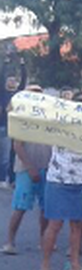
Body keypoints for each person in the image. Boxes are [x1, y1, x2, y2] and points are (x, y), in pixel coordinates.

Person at [38, 130, 82, 270]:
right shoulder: (60, 114)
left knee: (77, 224)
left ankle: (75, 264)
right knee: (55, 224)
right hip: (58, 179)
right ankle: (45, 266)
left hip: (80, 179)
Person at [4, 134, 51, 254]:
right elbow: (17, 145)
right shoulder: (24, 117)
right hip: (24, 168)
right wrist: (30, 167)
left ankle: (43, 240)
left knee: (46, 207)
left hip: (47, 166)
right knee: (20, 206)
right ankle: (10, 241)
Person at [0, 56, 28, 189]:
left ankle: (11, 179)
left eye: (14, 80)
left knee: (13, 154)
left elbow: (24, 80)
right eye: (9, 80)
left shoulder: (19, 93)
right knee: (4, 155)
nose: (12, 82)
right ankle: (1, 179)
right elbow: (0, 78)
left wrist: (22, 66)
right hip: (4, 126)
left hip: (16, 127)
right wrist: (5, 64)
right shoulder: (2, 93)